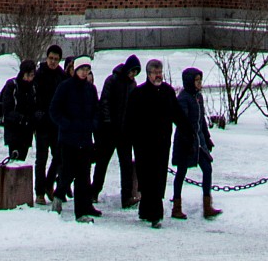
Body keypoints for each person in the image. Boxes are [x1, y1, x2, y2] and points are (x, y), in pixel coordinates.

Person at [125, 58, 183, 227]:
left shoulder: (167, 91)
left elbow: (176, 113)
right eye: (155, 73)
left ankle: (155, 214)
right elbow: (130, 119)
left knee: (158, 178)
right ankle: (146, 210)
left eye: (160, 73)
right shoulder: (139, 93)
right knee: (146, 178)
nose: (158, 76)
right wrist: (129, 139)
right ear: (148, 74)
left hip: (162, 142)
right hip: (143, 144)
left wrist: (187, 130)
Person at [50, 57, 104, 220]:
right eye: (82, 69)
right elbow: (54, 110)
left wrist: (93, 125)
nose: (84, 73)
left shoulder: (90, 89)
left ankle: (81, 211)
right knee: (67, 172)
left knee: (83, 176)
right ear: (75, 70)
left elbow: (96, 110)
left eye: (87, 70)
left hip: (85, 139)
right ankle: (58, 197)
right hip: (68, 139)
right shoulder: (65, 87)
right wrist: (66, 124)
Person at [171, 65, 219, 220]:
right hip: (186, 142)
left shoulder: (198, 97)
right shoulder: (183, 98)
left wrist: (207, 137)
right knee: (181, 173)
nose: (199, 83)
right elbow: (182, 121)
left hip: (199, 141)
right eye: (196, 80)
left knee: (207, 168)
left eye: (200, 80)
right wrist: (189, 138)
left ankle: (207, 205)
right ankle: (176, 206)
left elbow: (202, 120)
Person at [94, 54, 142, 207]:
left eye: (135, 72)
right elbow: (105, 103)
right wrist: (108, 124)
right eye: (132, 71)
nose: (133, 75)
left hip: (125, 132)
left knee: (126, 165)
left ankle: (126, 196)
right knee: (102, 162)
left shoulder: (132, 85)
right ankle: (94, 191)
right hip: (110, 131)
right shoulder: (112, 80)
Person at [34, 42, 68, 203]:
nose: (52, 61)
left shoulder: (61, 76)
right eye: (50, 58)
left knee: (58, 157)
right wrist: (37, 114)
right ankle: (39, 191)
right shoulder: (39, 74)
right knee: (41, 158)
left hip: (56, 124)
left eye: (55, 59)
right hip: (42, 123)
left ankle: (49, 184)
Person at [0, 58, 37, 162]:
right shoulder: (12, 86)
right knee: (15, 159)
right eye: (27, 75)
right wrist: (21, 118)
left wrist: (32, 118)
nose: (29, 79)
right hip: (13, 129)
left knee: (22, 159)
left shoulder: (33, 88)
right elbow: (7, 110)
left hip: (27, 131)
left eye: (31, 75)